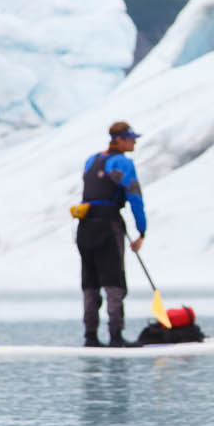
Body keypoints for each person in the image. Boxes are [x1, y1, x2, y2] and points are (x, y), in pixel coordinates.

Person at [73, 120, 148, 347]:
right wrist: (141, 231)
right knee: (114, 283)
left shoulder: (91, 160)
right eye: (131, 138)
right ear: (120, 140)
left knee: (91, 283)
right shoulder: (121, 163)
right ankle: (116, 337)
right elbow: (134, 196)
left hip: (84, 227)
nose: (134, 142)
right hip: (108, 226)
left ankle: (90, 338)